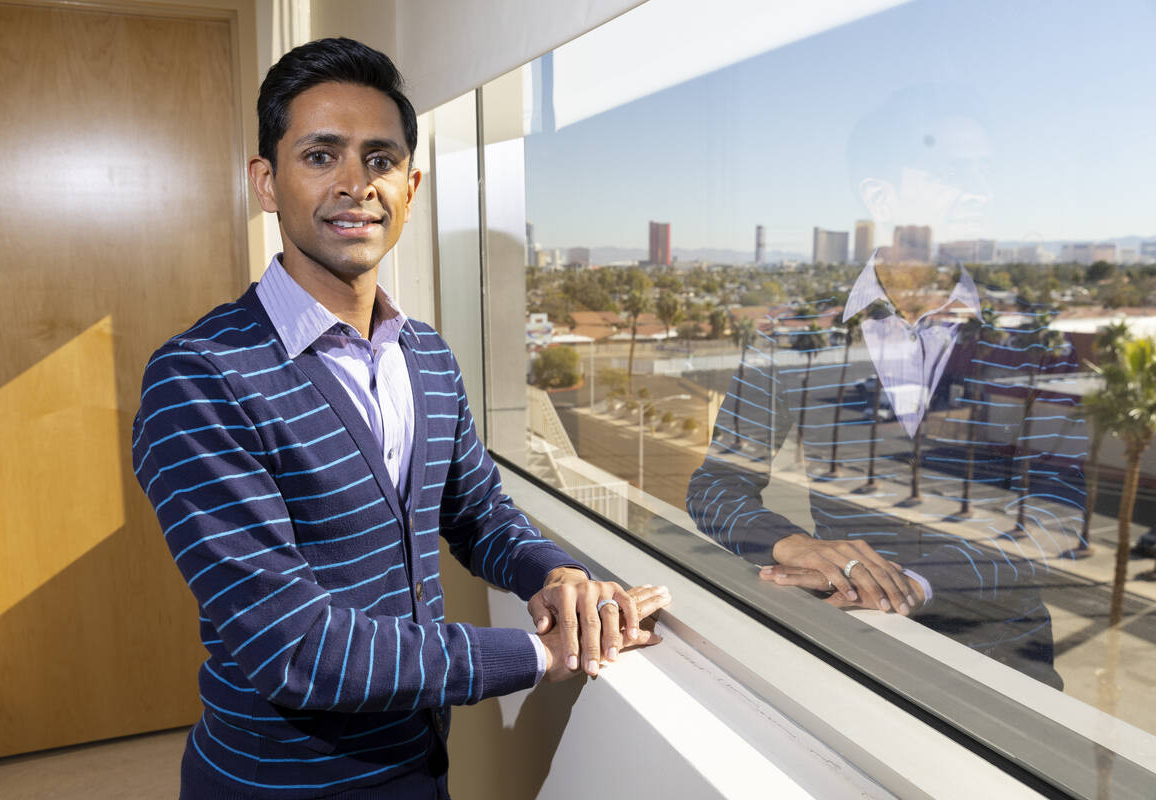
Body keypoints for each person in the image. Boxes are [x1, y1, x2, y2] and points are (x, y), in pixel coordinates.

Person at [132, 37, 668, 799]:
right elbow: (295, 647)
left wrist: (553, 575)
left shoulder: (426, 355)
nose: (356, 184)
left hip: (417, 764)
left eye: (379, 160)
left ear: (410, 187)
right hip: (280, 782)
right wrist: (538, 654)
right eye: (321, 156)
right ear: (266, 182)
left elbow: (477, 514)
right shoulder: (199, 378)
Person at [685, 85, 1084, 688]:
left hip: (1005, 669)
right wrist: (789, 543)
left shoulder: (1035, 338)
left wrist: (914, 584)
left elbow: (1057, 517)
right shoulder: (795, 333)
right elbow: (717, 483)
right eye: (954, 171)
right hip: (857, 656)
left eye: (985, 171)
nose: (980, 190)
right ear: (881, 196)